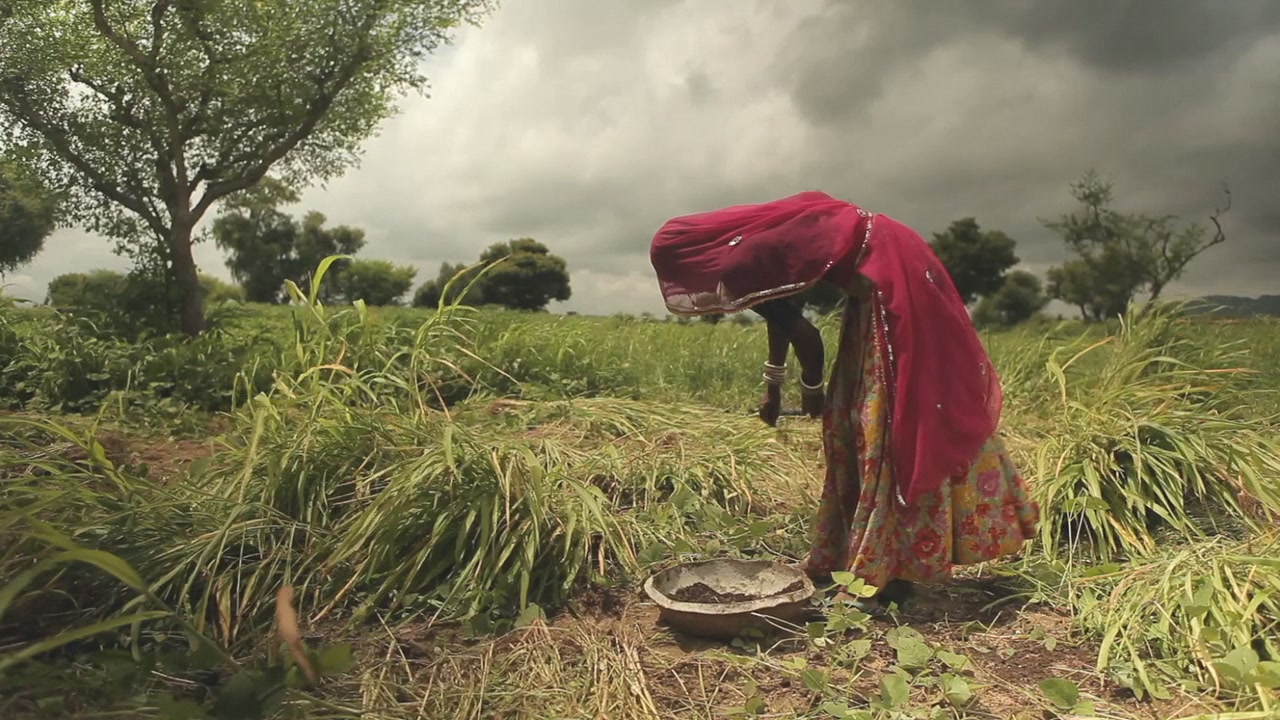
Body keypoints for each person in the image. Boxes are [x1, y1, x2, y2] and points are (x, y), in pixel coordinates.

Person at [649, 191, 1039, 608]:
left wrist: (810, 389)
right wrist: (774, 388)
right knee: (855, 417)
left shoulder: (742, 258)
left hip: (890, 281)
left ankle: (882, 569)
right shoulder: (749, 248)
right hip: (881, 277)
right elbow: (782, 318)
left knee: (885, 421)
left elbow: (804, 333)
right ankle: (863, 555)